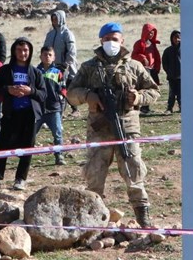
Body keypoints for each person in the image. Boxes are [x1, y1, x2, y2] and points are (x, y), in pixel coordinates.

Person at [67, 22, 159, 227]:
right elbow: (71, 94)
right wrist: (88, 95)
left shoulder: (134, 66)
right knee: (95, 176)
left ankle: (143, 218)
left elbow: (154, 91)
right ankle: (91, 219)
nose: (111, 43)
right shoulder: (89, 67)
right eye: (107, 39)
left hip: (126, 128)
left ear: (122, 40)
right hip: (99, 130)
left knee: (133, 172)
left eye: (114, 39)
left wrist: (137, 98)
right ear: (101, 41)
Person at [0, 37, 46, 192]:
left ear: (30, 52)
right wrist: (8, 89)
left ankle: (20, 179)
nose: (22, 53)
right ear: (14, 51)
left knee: (28, 147)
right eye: (19, 50)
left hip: (29, 115)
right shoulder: (5, 70)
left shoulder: (35, 72)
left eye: (25, 50)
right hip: (10, 113)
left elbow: (43, 94)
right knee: (2, 146)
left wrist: (30, 91)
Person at [35, 45, 66, 165]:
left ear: (54, 57)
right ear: (40, 56)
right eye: (44, 55)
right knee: (32, 134)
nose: (47, 57)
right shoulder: (36, 72)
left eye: (49, 55)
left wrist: (61, 99)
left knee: (58, 133)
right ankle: (25, 157)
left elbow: (63, 89)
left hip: (54, 109)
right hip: (39, 109)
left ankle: (59, 156)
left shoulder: (57, 72)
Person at [130, 23, 162, 114]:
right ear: (145, 32)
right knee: (143, 88)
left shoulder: (152, 44)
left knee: (151, 88)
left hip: (152, 69)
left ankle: (146, 107)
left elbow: (156, 56)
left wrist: (157, 67)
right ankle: (142, 107)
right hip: (143, 69)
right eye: (149, 32)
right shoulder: (139, 43)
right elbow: (134, 55)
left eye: (152, 33)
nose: (151, 34)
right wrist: (143, 57)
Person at [161, 30, 181, 114]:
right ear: (171, 39)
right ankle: (169, 108)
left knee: (181, 93)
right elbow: (164, 63)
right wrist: (168, 71)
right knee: (171, 94)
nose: (176, 39)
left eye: (178, 37)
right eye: (174, 37)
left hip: (182, 76)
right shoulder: (168, 51)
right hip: (172, 76)